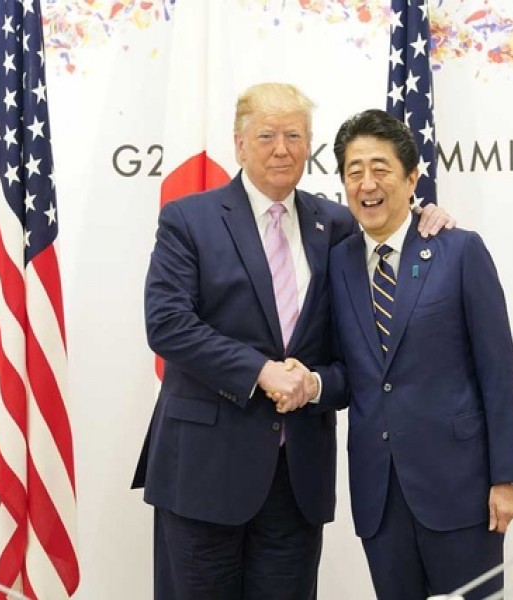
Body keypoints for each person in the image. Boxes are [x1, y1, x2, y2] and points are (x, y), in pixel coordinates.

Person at [131, 83, 454, 600]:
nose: (281, 148)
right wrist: (262, 372)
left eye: (294, 136)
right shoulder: (188, 219)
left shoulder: (341, 225)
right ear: (238, 144)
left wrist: (425, 218)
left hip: (297, 478)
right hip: (201, 471)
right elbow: (167, 323)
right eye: (266, 135)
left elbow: (362, 353)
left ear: (310, 145)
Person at [319, 108, 513, 600]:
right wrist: (309, 383)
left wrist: (507, 477)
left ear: (412, 177)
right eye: (354, 171)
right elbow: (347, 369)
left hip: (462, 489)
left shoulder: (459, 251)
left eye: (381, 168)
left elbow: (497, 368)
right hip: (380, 493)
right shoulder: (339, 264)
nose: (367, 183)